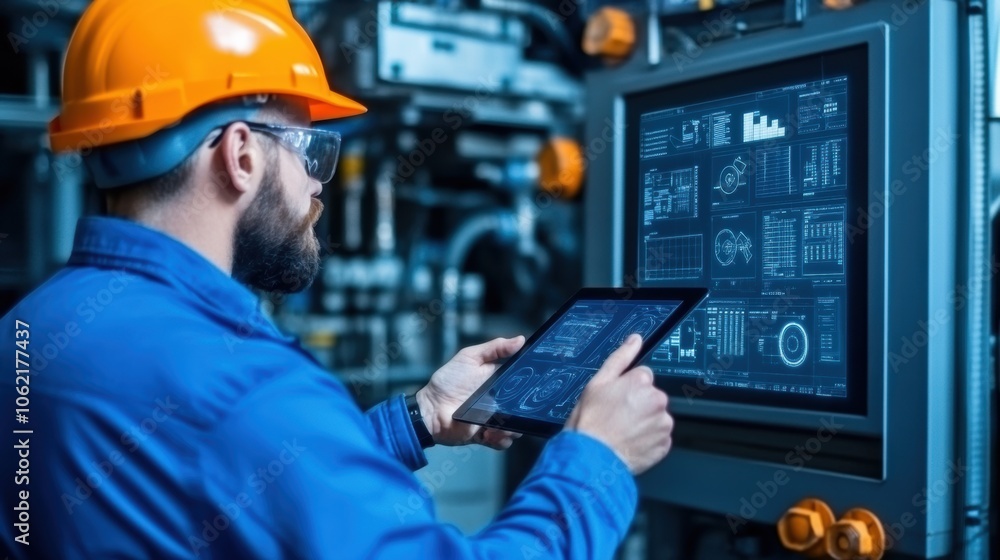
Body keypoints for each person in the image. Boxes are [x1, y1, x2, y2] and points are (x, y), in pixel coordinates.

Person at [0, 1, 674, 558]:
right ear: (240, 155)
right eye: (310, 150)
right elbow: (236, 436)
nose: (317, 183)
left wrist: (421, 418)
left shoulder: (29, 331)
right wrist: (595, 461)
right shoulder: (242, 383)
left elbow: (232, 478)